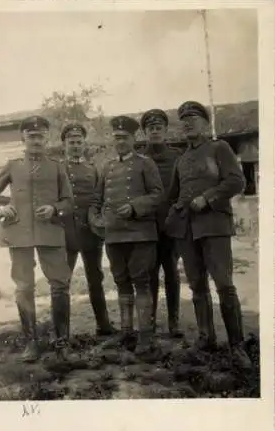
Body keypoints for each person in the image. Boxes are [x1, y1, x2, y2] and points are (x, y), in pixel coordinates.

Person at [165, 101, 252, 370]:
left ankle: (237, 345)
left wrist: (208, 197)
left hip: (214, 226)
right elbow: (173, 194)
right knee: (197, 285)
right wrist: (174, 213)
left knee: (224, 285)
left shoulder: (219, 148)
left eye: (193, 118)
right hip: (187, 231)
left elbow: (237, 181)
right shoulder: (181, 160)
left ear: (204, 122)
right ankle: (206, 338)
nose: (188, 123)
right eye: (184, 120)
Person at [0, 116, 74, 363]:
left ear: (46, 138)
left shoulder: (57, 166)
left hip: (50, 231)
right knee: (24, 287)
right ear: (23, 138)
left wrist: (55, 209)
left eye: (40, 136)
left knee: (60, 285)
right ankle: (31, 341)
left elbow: (69, 201)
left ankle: (62, 342)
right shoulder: (12, 166)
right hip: (19, 233)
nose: (36, 140)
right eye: (31, 136)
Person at [89, 115, 164, 354]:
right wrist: (96, 220)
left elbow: (157, 195)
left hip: (140, 234)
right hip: (114, 235)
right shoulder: (108, 167)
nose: (119, 141)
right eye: (116, 138)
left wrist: (134, 207)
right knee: (121, 282)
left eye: (124, 137)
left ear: (134, 138)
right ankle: (126, 332)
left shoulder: (145, 164)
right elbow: (96, 200)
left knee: (141, 283)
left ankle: (145, 337)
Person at [60, 122, 116, 337]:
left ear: (84, 144)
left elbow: (99, 198)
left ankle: (103, 325)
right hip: (65, 233)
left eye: (79, 142)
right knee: (62, 282)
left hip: (89, 233)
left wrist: (98, 221)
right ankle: (62, 331)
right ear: (64, 144)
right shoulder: (59, 167)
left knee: (95, 279)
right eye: (71, 142)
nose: (75, 146)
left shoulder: (93, 169)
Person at [140, 108, 182, 338]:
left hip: (171, 224)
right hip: (147, 226)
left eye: (158, 128)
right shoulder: (139, 158)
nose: (154, 132)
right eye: (150, 129)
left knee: (172, 272)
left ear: (165, 131)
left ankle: (174, 322)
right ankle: (151, 321)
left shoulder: (177, 156)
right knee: (150, 274)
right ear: (144, 132)